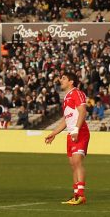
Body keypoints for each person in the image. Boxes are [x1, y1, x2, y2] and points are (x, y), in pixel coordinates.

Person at [44, 71, 91, 205]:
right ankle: (77, 195)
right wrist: (54, 133)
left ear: (71, 82)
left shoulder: (77, 93)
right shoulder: (66, 97)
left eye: (63, 78)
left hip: (80, 131)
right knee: (73, 165)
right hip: (70, 134)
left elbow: (82, 111)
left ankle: (81, 195)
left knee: (77, 162)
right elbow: (66, 119)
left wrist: (76, 129)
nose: (61, 80)